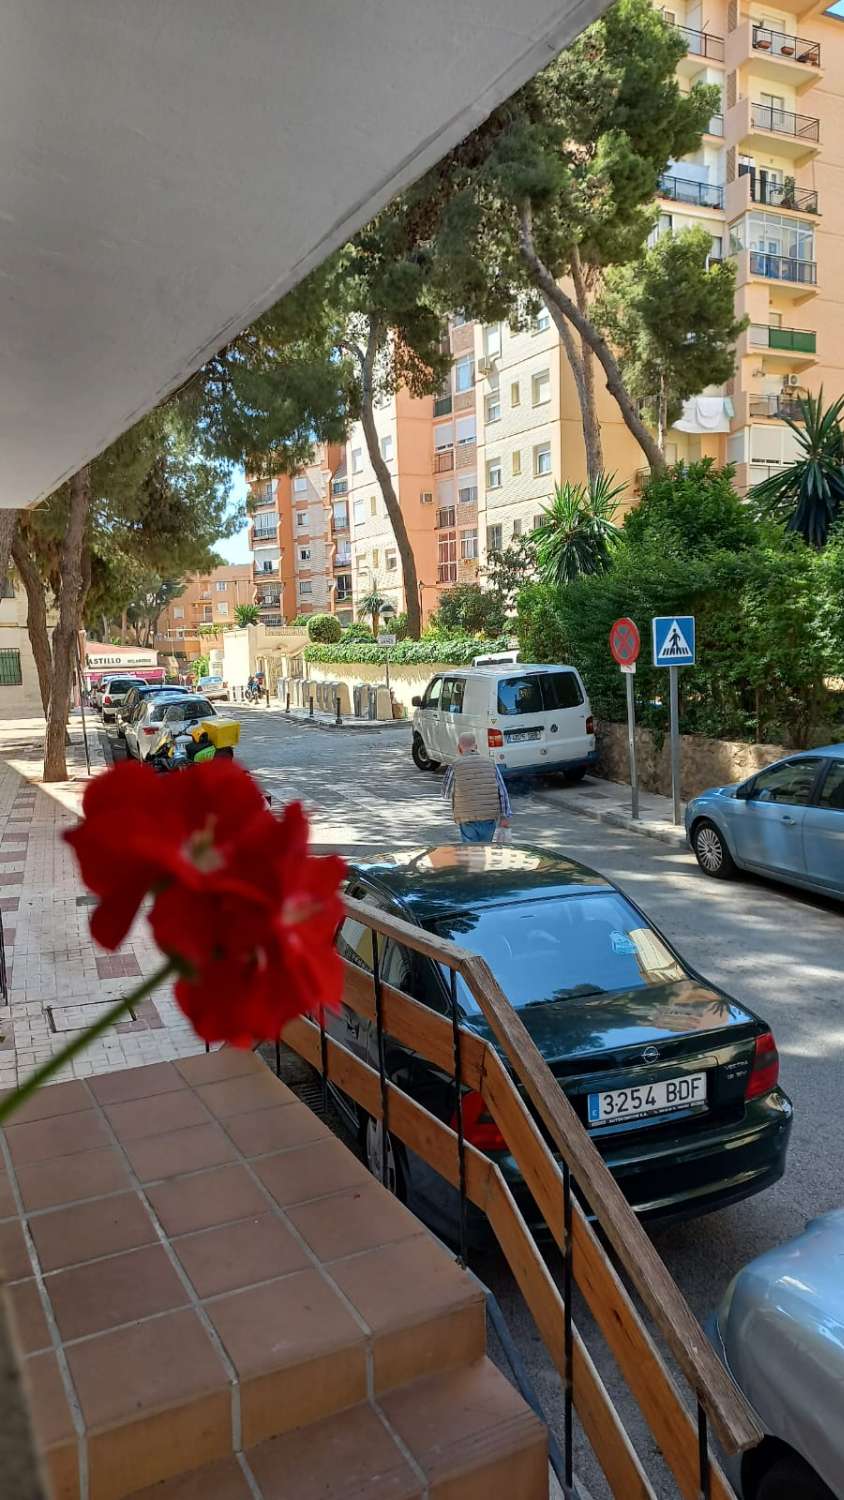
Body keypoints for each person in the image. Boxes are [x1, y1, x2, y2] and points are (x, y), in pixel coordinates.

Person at [442, 732, 511, 844]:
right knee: (484, 849)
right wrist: (504, 816)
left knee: (472, 852)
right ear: (476, 746)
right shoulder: (490, 763)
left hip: (466, 818)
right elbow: (502, 791)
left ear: (459, 747)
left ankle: (474, 861)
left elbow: (446, 793)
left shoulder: (455, 765)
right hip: (488, 817)